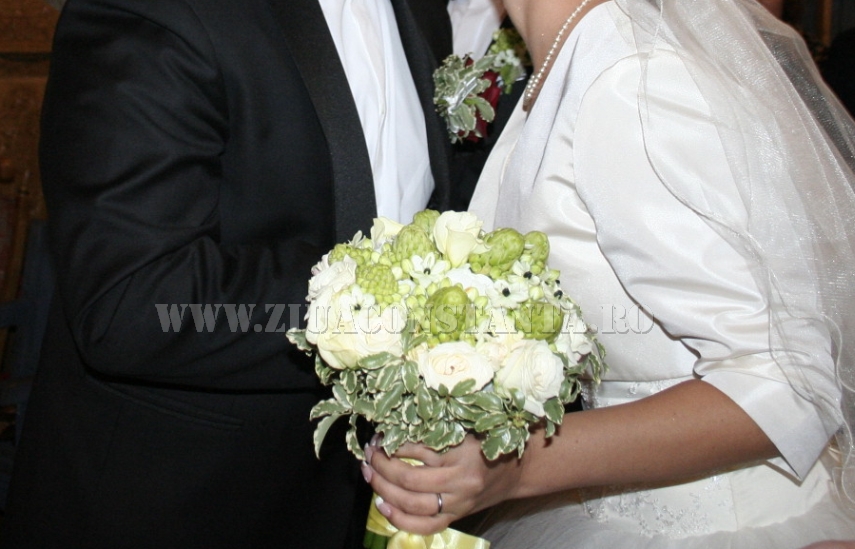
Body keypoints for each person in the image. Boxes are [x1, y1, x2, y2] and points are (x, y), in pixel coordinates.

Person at [362, 0, 855, 547]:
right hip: (605, 502)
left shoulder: (632, 77)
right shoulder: (565, 61)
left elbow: (787, 381)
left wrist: (518, 465)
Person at [0, 0, 455, 547]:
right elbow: (134, 300)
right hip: (178, 505)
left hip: (362, 500)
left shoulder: (423, 10)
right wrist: (396, 310)